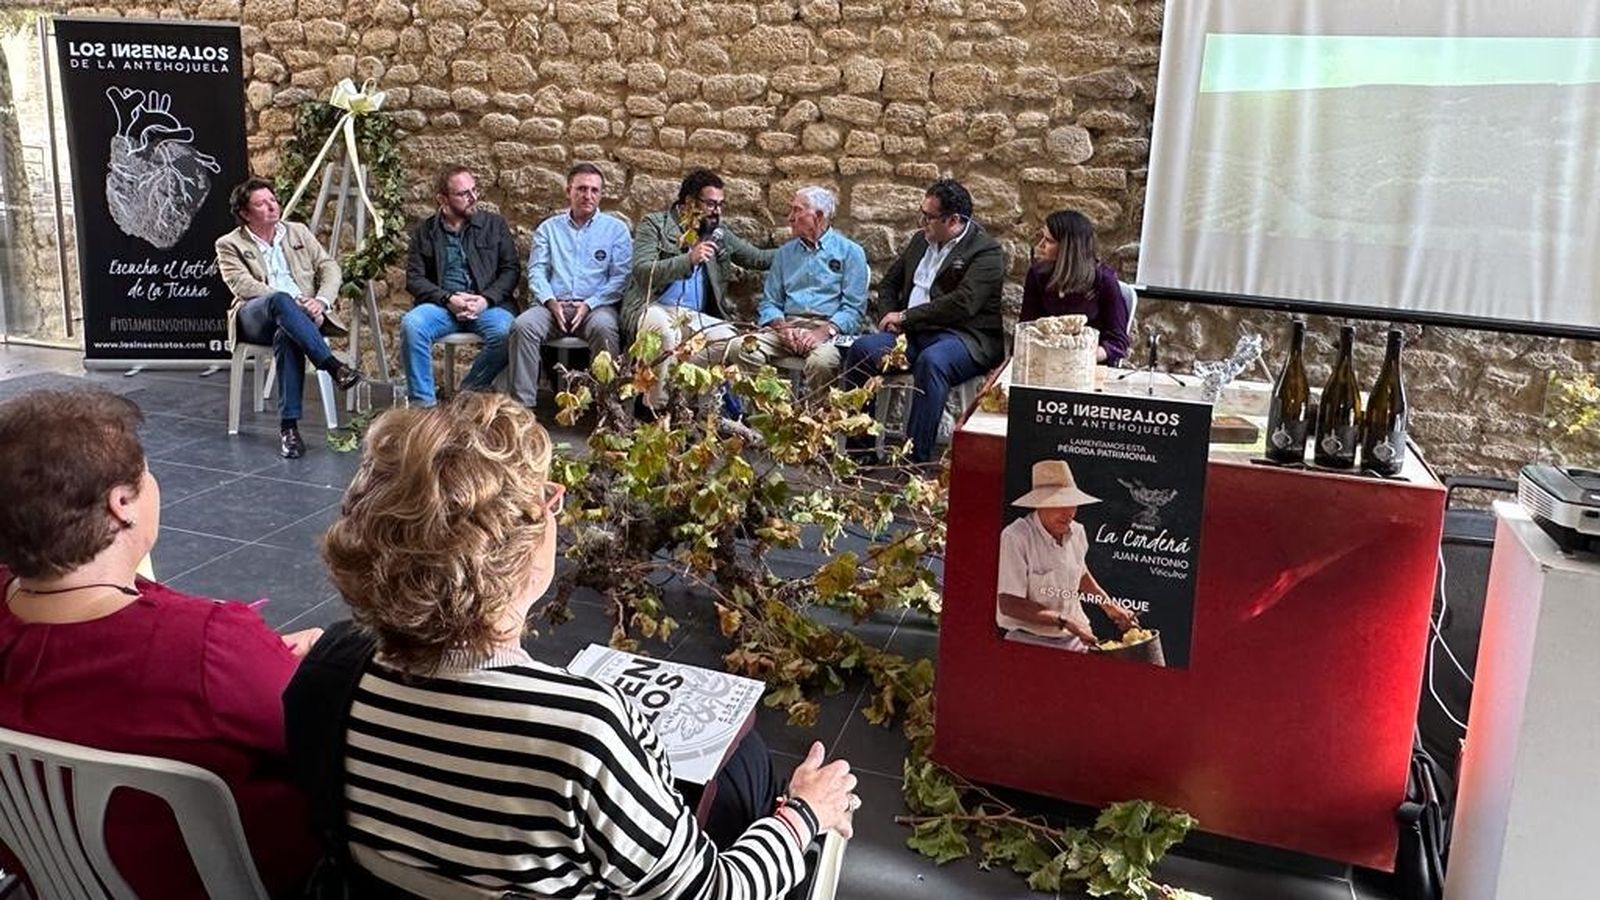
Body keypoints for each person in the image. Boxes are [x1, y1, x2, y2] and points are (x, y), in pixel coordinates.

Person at [294, 393, 858, 897]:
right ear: (521, 546)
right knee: (752, 773)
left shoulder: (332, 670)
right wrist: (804, 813)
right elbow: (713, 892)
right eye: (548, 498)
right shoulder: (584, 731)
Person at [0, 389, 322, 898]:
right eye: (146, 474)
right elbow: (314, 743)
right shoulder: (207, 647)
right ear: (121, 504)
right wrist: (296, 669)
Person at [840, 178, 1006, 463]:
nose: (922, 222)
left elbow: (962, 304)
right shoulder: (920, 241)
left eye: (929, 217)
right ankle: (861, 451)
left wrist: (905, 317)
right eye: (922, 213)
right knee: (862, 351)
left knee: (933, 361)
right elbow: (890, 284)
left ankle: (915, 461)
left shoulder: (986, 252)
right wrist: (888, 319)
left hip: (961, 338)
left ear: (953, 220)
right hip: (911, 335)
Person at [216, 177, 364, 459]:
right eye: (261, 204)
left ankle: (289, 429)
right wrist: (293, 302)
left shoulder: (297, 231)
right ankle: (333, 367)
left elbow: (328, 266)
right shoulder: (229, 243)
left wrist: (321, 301)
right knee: (280, 300)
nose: (272, 207)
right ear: (245, 214)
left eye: (273, 200)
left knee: (288, 336)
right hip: (255, 315)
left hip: (302, 316)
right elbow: (242, 285)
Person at [621, 168, 775, 408]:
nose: (717, 211)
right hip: (651, 305)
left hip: (693, 315)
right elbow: (642, 271)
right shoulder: (655, 225)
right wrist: (688, 259)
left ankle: (690, 405)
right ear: (689, 202)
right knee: (664, 332)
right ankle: (657, 410)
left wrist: (800, 246)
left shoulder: (718, 235)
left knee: (728, 339)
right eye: (711, 204)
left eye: (720, 205)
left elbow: (758, 258)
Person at [508, 162, 631, 406]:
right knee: (523, 327)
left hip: (597, 307)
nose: (588, 195)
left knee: (605, 329)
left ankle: (607, 409)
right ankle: (521, 410)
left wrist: (590, 304)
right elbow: (536, 271)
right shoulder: (549, 229)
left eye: (594, 190)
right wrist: (550, 302)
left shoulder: (616, 230)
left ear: (601, 193)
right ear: (568, 191)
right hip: (553, 306)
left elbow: (621, 277)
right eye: (581, 189)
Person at [400, 164, 521, 407]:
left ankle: (468, 392)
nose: (472, 198)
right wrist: (447, 299)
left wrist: (485, 299)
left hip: (487, 304)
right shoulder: (425, 231)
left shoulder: (494, 225)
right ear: (442, 199)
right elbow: (415, 279)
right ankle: (424, 407)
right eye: (463, 194)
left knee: (507, 332)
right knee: (412, 325)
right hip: (442, 305)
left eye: (474, 190)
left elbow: (511, 270)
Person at [738, 186, 869, 393]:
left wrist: (822, 333)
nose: (790, 218)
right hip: (787, 329)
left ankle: (816, 421)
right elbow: (770, 302)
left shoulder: (851, 253)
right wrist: (783, 329)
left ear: (818, 216)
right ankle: (765, 417)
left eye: (797, 211)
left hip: (828, 331)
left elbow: (853, 310)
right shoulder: (784, 254)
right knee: (742, 349)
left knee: (821, 363)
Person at [996, 460, 1136, 650]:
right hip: (1028, 642)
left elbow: (1080, 574)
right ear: (1039, 504)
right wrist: (1066, 621)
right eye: (1059, 504)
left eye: (1073, 504)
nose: (1068, 513)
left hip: (1076, 642)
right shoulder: (1016, 536)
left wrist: (1110, 607)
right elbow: (1009, 603)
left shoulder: (1077, 531)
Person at [1022, 209, 1130, 365]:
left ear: (1068, 248)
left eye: (1049, 241)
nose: (1041, 245)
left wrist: (1079, 356)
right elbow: (1026, 327)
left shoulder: (1104, 281)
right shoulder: (1037, 275)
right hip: (1044, 362)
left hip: (1087, 364)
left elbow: (1117, 342)